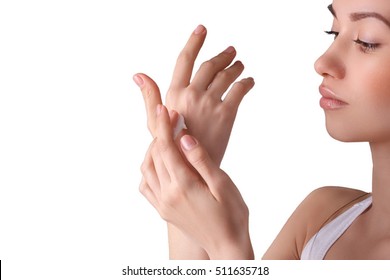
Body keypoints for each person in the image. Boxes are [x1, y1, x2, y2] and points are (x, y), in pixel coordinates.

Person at [133, 0, 390, 259]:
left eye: (366, 41)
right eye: (334, 32)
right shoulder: (320, 218)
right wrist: (186, 177)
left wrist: (228, 246)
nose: (322, 62)